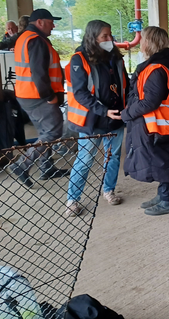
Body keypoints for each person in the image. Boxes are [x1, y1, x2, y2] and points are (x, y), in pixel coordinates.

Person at [63, 20, 130, 217]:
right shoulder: (79, 59)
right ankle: (72, 200)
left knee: (113, 157)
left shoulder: (116, 58)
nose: (110, 39)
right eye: (105, 36)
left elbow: (126, 83)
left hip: (116, 116)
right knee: (85, 159)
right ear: (93, 37)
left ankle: (108, 190)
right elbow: (80, 93)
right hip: (93, 120)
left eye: (110, 35)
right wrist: (102, 110)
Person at [123, 26, 169, 216]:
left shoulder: (156, 69)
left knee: (163, 163)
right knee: (163, 161)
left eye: (142, 40)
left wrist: (127, 114)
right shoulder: (161, 65)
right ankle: (164, 195)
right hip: (164, 124)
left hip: (160, 126)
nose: (140, 43)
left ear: (149, 43)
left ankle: (168, 201)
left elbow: (150, 101)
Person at [9, 9, 69, 187]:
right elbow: (39, 72)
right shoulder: (36, 41)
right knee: (53, 132)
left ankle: (47, 167)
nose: (53, 25)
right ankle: (22, 164)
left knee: (45, 133)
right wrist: (49, 96)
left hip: (27, 94)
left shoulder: (26, 38)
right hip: (37, 96)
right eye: (51, 22)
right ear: (40, 22)